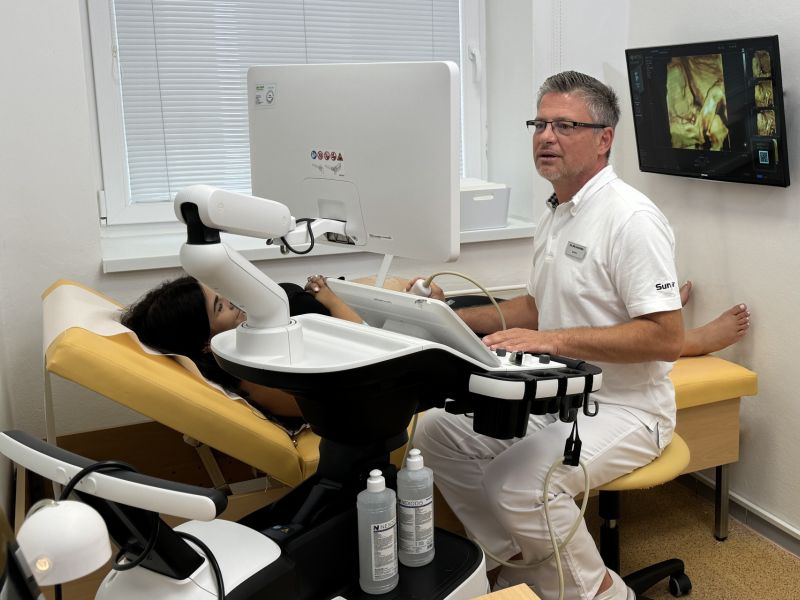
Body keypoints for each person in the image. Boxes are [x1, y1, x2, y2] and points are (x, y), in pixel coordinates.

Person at [407, 71, 693, 600]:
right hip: (558, 396)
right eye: (539, 124)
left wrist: (554, 342)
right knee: (433, 434)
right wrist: (446, 317)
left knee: (518, 483)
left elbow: (665, 338)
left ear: (604, 139)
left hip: (628, 409)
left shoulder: (631, 219)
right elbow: (535, 309)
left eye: (564, 125)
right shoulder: (558, 212)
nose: (546, 136)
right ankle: (519, 562)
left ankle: (603, 593)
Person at [121, 274, 361, 423]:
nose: (231, 301)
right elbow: (361, 363)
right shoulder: (253, 377)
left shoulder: (240, 354)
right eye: (220, 307)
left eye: (221, 294)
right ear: (205, 343)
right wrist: (332, 301)